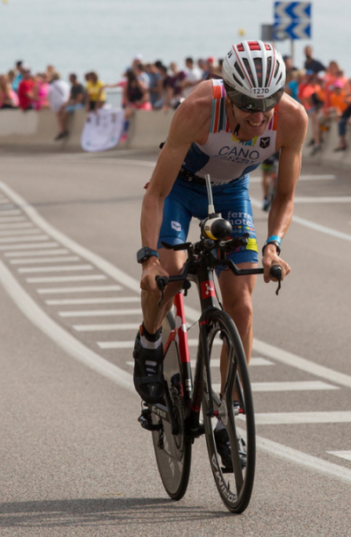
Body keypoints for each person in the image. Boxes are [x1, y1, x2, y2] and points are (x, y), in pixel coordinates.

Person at [137, 40, 305, 471]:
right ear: (228, 93)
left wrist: (273, 247)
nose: (258, 113)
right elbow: (155, 191)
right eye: (248, 102)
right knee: (170, 278)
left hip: (230, 191)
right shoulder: (197, 108)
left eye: (267, 101)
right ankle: (150, 340)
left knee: (243, 306)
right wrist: (148, 259)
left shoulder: (291, 119)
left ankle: (230, 419)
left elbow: (284, 195)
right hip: (180, 185)